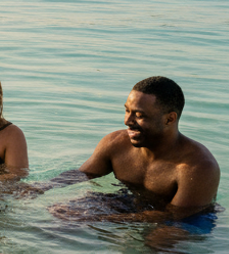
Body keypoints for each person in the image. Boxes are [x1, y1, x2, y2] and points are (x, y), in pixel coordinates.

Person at [44, 76, 219, 223]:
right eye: (127, 111)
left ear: (169, 119)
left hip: (188, 221)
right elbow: (83, 174)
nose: (127, 121)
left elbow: (174, 216)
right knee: (59, 215)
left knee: (161, 245)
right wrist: (42, 187)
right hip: (130, 203)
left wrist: (99, 218)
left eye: (139, 115)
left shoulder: (198, 167)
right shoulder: (116, 143)